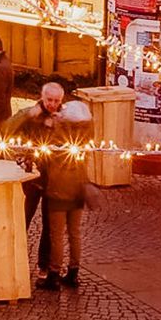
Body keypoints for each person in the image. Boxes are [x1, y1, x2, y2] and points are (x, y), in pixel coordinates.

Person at [5, 82, 68, 286]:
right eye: (49, 100)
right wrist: (28, 115)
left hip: (55, 178)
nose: (52, 104)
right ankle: (14, 259)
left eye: (57, 101)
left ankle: (44, 265)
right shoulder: (31, 113)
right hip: (32, 175)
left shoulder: (65, 117)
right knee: (22, 217)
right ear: (42, 97)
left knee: (50, 226)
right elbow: (9, 127)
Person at [38, 99, 92, 289]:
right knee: (75, 233)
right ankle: (73, 272)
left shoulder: (58, 135)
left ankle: (53, 274)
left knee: (57, 234)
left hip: (59, 190)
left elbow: (45, 155)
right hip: (78, 188)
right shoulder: (85, 135)